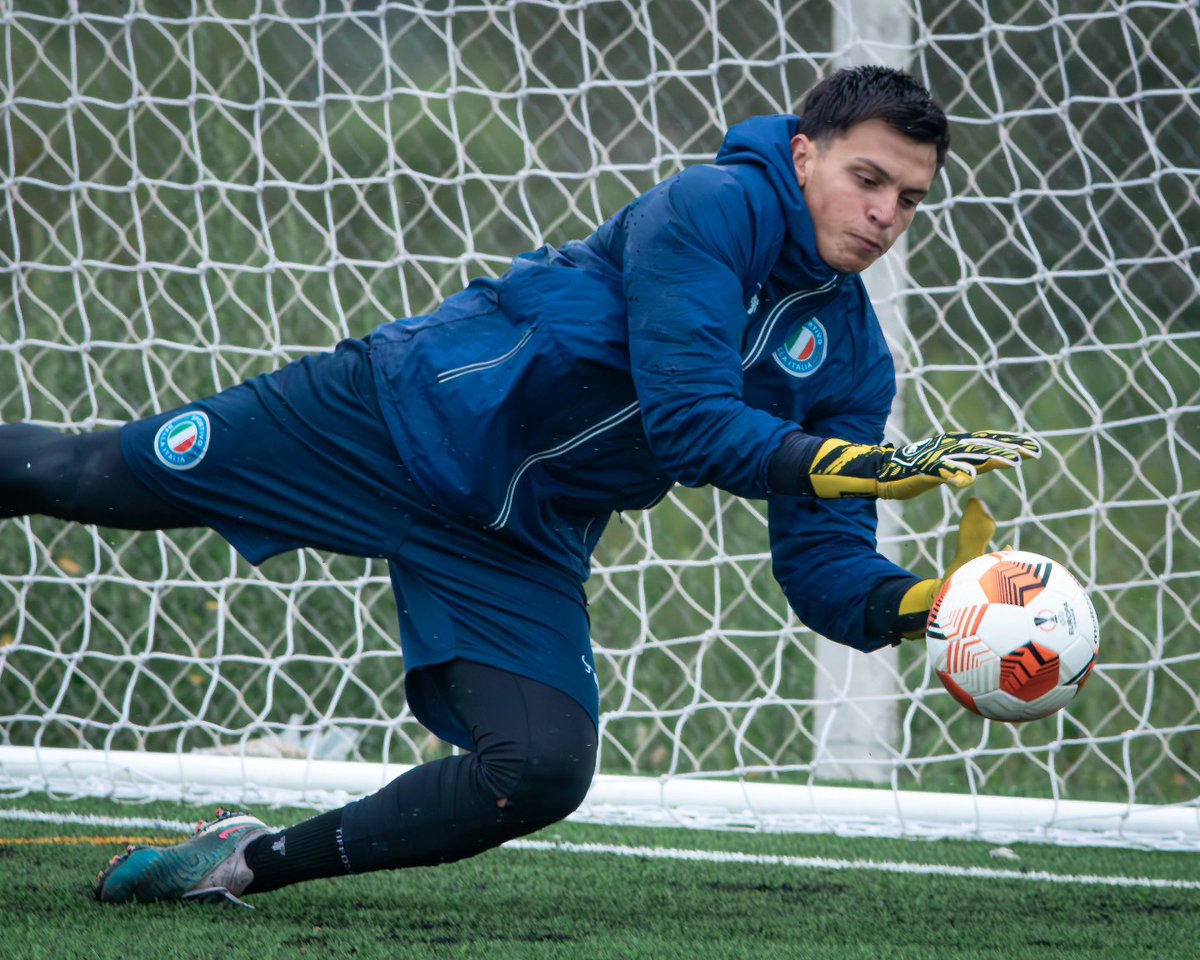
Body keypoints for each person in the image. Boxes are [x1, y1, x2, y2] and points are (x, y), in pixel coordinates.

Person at [0, 65, 1038, 907]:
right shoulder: (717, 206)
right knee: (91, 477)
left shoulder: (853, 359)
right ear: (804, 153)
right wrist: (861, 465)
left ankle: (237, 866)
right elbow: (689, 422)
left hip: (518, 534)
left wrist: (938, 608)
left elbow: (822, 567)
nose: (887, 212)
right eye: (868, 179)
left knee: (540, 769)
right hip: (393, 418)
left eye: (910, 198)